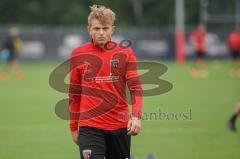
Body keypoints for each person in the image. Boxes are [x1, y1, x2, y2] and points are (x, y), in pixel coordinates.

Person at [69, 5, 143, 159]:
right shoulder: (78, 54)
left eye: (105, 28)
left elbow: (135, 87)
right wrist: (73, 127)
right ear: (89, 29)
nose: (101, 33)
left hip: (120, 126)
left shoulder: (125, 52)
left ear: (112, 29)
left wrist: (136, 116)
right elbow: (74, 94)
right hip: (89, 127)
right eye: (96, 28)